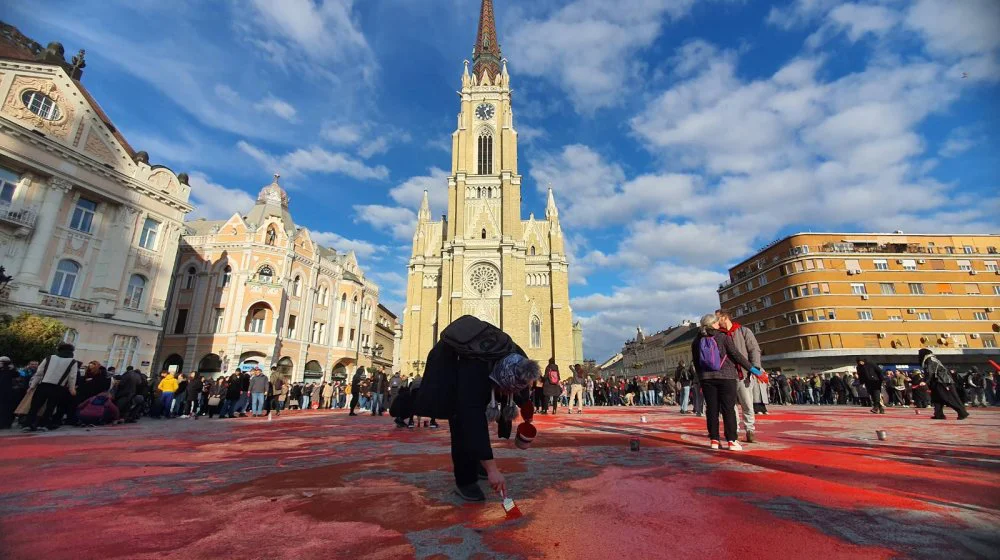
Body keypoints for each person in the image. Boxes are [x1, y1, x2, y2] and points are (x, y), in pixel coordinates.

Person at [414, 315, 538, 502]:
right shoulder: (475, 373)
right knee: (461, 423)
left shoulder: (517, 357)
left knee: (474, 421)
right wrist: (492, 469)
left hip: (481, 368)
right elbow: (472, 420)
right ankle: (465, 481)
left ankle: (478, 461)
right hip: (449, 370)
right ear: (497, 381)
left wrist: (527, 417)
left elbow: (521, 388)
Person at [690, 314, 763, 451]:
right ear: (713, 324)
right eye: (717, 322)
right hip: (726, 377)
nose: (719, 324)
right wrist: (754, 370)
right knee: (728, 409)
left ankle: (714, 440)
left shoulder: (696, 341)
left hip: (707, 378)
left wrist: (701, 379)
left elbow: (696, 362)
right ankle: (731, 440)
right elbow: (736, 355)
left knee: (712, 410)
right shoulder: (722, 337)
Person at [716, 309, 762, 443]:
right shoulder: (719, 335)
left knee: (747, 403)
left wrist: (755, 367)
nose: (716, 321)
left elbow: (753, 349)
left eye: (717, 318)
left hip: (744, 373)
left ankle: (749, 430)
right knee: (731, 405)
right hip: (726, 375)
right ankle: (734, 430)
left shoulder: (743, 331)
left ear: (724, 318)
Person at [24, 344, 79, 431]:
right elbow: (72, 376)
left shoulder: (49, 357)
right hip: (58, 387)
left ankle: (28, 423)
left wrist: (32, 386)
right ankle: (43, 425)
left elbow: (39, 373)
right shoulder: (72, 362)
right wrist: (72, 388)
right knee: (50, 407)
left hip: (43, 385)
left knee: (35, 406)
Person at [918, 349, 969, 420]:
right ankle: (939, 414)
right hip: (939, 381)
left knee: (949, 398)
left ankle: (962, 413)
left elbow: (930, 372)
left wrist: (925, 381)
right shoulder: (933, 359)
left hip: (942, 381)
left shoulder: (929, 360)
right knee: (937, 399)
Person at [0, 357, 16, 429]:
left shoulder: (10, 370)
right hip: (4, 391)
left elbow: (17, 375)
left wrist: (12, 368)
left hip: (8, 392)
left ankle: (7, 423)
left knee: (7, 408)